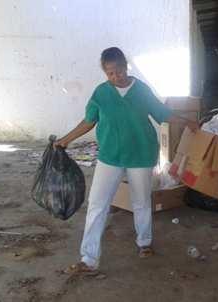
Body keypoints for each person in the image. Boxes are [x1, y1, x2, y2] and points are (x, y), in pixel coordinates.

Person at [55, 47, 198, 274]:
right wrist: (65, 140)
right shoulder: (101, 93)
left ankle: (144, 243)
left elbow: (162, 114)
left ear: (125, 66)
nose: (116, 77)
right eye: (110, 73)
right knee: (97, 204)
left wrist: (187, 122)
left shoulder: (141, 90)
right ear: (105, 73)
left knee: (141, 201)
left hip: (140, 154)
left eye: (119, 71)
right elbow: (88, 121)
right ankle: (89, 258)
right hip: (110, 156)